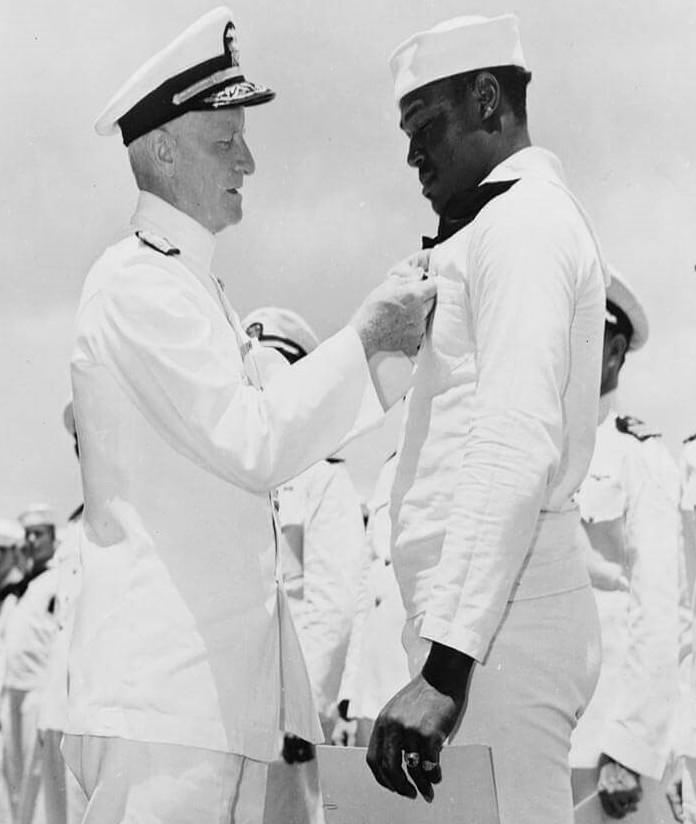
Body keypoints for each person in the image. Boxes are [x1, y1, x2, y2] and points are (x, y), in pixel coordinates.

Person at [65, 8, 435, 823]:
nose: (250, 161)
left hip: (205, 702)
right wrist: (368, 337)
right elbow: (256, 440)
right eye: (224, 141)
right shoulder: (141, 285)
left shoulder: (187, 287)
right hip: (163, 706)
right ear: (162, 149)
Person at [367, 14, 608, 824]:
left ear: (487, 100)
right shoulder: (494, 227)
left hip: (500, 635)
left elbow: (511, 442)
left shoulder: (527, 224)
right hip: (475, 633)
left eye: (426, 127)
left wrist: (444, 673)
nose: (412, 156)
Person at [242, 307, 367, 824]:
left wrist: (306, 713)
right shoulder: (242, 474)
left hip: (287, 714)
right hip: (236, 706)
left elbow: (333, 605)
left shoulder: (322, 479)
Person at [569, 270, 681, 820]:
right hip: (534, 731)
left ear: (614, 351)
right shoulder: (534, 448)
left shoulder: (640, 457)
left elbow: (659, 613)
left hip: (602, 749)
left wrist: (629, 748)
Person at [332, 452, 409, 748]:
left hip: (414, 675)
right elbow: (367, 587)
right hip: (373, 681)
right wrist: (349, 688)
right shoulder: (390, 466)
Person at [1, 505, 58, 822]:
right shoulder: (24, 588)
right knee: (13, 778)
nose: (33, 540)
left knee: (34, 783)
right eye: (29, 535)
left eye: (39, 534)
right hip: (12, 691)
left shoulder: (55, 580)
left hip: (37, 692)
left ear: (52, 538)